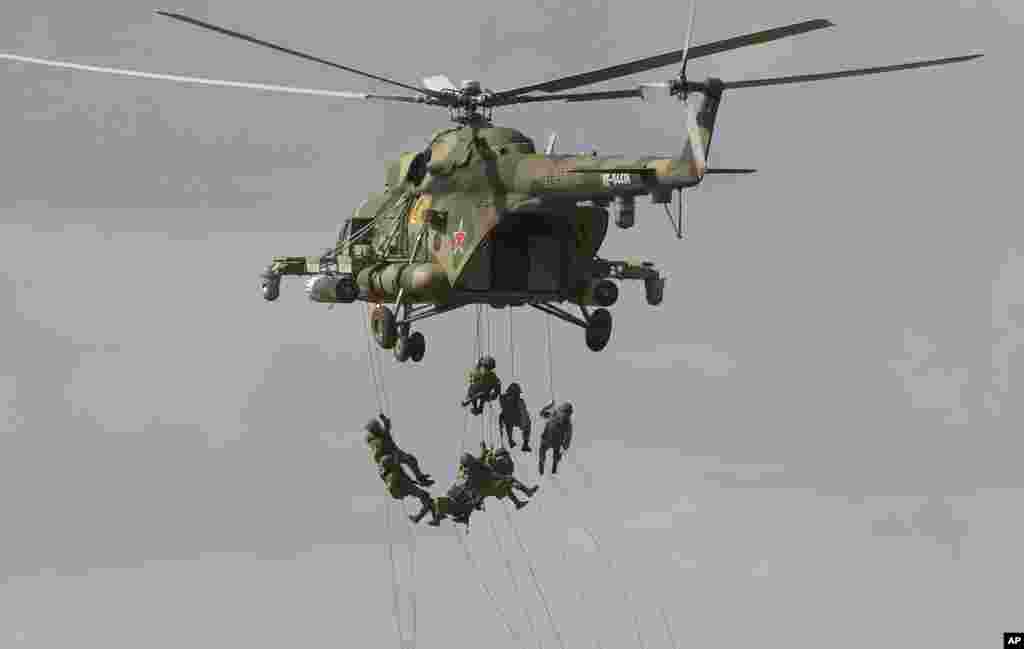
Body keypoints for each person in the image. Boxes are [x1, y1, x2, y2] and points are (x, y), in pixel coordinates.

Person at [364, 413, 434, 487]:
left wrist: (384, 420)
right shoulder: (375, 439)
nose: (378, 427)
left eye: (378, 425)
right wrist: (385, 422)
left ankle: (420, 478)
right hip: (387, 459)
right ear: (372, 430)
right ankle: (411, 481)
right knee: (401, 467)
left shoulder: (382, 433)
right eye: (376, 427)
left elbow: (387, 428)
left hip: (394, 454)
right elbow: (383, 439)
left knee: (411, 459)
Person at [537, 401, 573, 475]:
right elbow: (542, 413)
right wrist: (550, 405)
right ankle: (541, 466)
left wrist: (563, 450)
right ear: (561, 410)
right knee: (542, 454)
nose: (566, 415)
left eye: (568, 413)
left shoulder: (568, 424)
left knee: (556, 457)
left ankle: (554, 470)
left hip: (557, 442)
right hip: (546, 439)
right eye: (565, 412)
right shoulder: (553, 415)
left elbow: (568, 438)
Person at [498, 382, 532, 451]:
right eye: (517, 393)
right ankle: (524, 443)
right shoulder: (518, 401)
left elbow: (523, 412)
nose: (518, 395)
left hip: (510, 419)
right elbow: (523, 413)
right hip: (514, 419)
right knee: (527, 425)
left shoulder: (503, 398)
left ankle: (512, 441)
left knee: (508, 423)